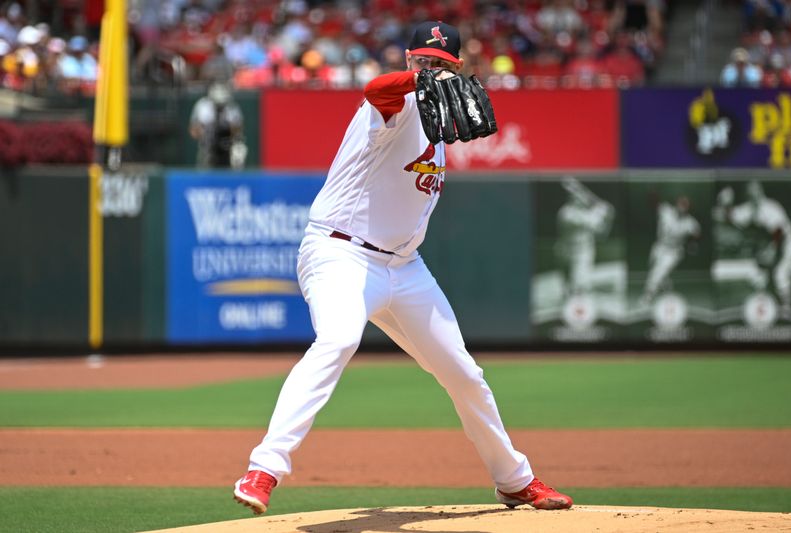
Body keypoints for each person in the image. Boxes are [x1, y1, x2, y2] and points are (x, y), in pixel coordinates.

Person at [232, 20, 573, 516]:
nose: (428, 69)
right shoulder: (390, 104)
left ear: (457, 69)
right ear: (409, 61)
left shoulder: (443, 121)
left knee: (464, 373)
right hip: (340, 253)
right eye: (421, 61)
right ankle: (265, 468)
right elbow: (375, 88)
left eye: (440, 64)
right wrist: (419, 81)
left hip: (405, 267)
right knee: (339, 338)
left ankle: (515, 479)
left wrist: (432, 84)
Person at [718, 180, 791, 312]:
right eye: (750, 192)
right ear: (747, 194)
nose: (753, 194)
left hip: (788, 243)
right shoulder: (748, 209)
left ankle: (787, 310)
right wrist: (725, 204)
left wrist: (772, 248)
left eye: (756, 191)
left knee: (780, 273)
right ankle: (769, 308)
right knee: (758, 277)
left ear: (761, 192)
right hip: (770, 245)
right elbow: (731, 217)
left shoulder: (771, 207)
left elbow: (779, 231)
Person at [557, 177, 615, 295]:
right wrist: (603, 211)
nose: (582, 200)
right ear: (571, 199)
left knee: (579, 284)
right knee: (567, 285)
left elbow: (601, 233)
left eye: (581, 198)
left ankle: (577, 294)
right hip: (566, 250)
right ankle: (570, 295)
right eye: (576, 198)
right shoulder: (566, 213)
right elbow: (593, 217)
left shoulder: (586, 212)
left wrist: (608, 219)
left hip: (583, 251)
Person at [641, 196, 701, 304]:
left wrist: (693, 244)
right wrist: (652, 194)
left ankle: (647, 297)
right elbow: (653, 203)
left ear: (688, 208)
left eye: (685, 205)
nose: (682, 206)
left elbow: (697, 234)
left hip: (673, 252)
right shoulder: (666, 210)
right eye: (681, 203)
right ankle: (668, 290)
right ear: (676, 203)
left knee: (657, 273)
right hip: (659, 246)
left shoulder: (690, 222)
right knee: (654, 270)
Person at [188, 81, 246, 169]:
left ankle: (236, 176)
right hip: (208, 141)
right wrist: (206, 131)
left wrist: (227, 130)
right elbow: (194, 130)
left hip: (227, 142)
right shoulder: (202, 106)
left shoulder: (232, 107)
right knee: (205, 154)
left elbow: (238, 129)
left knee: (239, 149)